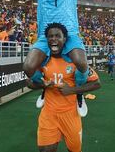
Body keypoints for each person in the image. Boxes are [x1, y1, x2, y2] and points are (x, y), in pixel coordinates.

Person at [14, 0, 100, 116]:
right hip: (46, 37)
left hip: (70, 35)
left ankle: (78, 92)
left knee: (81, 62)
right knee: (28, 67)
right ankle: (45, 87)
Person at [26, 23, 101, 152]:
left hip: (70, 115)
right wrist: (41, 85)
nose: (53, 39)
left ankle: (80, 99)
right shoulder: (42, 60)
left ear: (64, 39)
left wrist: (72, 90)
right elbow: (29, 83)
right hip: (49, 114)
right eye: (50, 36)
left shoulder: (75, 60)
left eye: (57, 36)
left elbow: (97, 83)